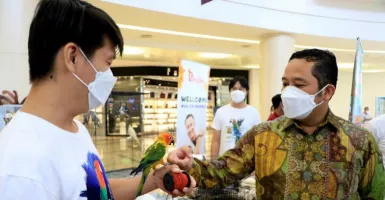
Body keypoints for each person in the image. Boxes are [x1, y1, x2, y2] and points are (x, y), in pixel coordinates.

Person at [0, 1, 195, 199]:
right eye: (107, 62)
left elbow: (95, 190)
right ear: (73, 57)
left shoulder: (75, 129)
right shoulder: (22, 168)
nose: (109, 75)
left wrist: (154, 180)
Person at [168, 49, 385, 199]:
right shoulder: (263, 135)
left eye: (298, 85)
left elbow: (374, 195)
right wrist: (190, 167)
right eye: (285, 84)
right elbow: (222, 172)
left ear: (327, 92)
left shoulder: (359, 141)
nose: (288, 92)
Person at [210, 76, 261, 160]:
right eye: (234, 88)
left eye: (240, 89)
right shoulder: (221, 112)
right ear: (230, 91)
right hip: (224, 163)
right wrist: (213, 163)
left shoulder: (253, 112)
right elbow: (216, 141)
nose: (237, 91)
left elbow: (258, 141)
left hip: (246, 164)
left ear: (246, 91)